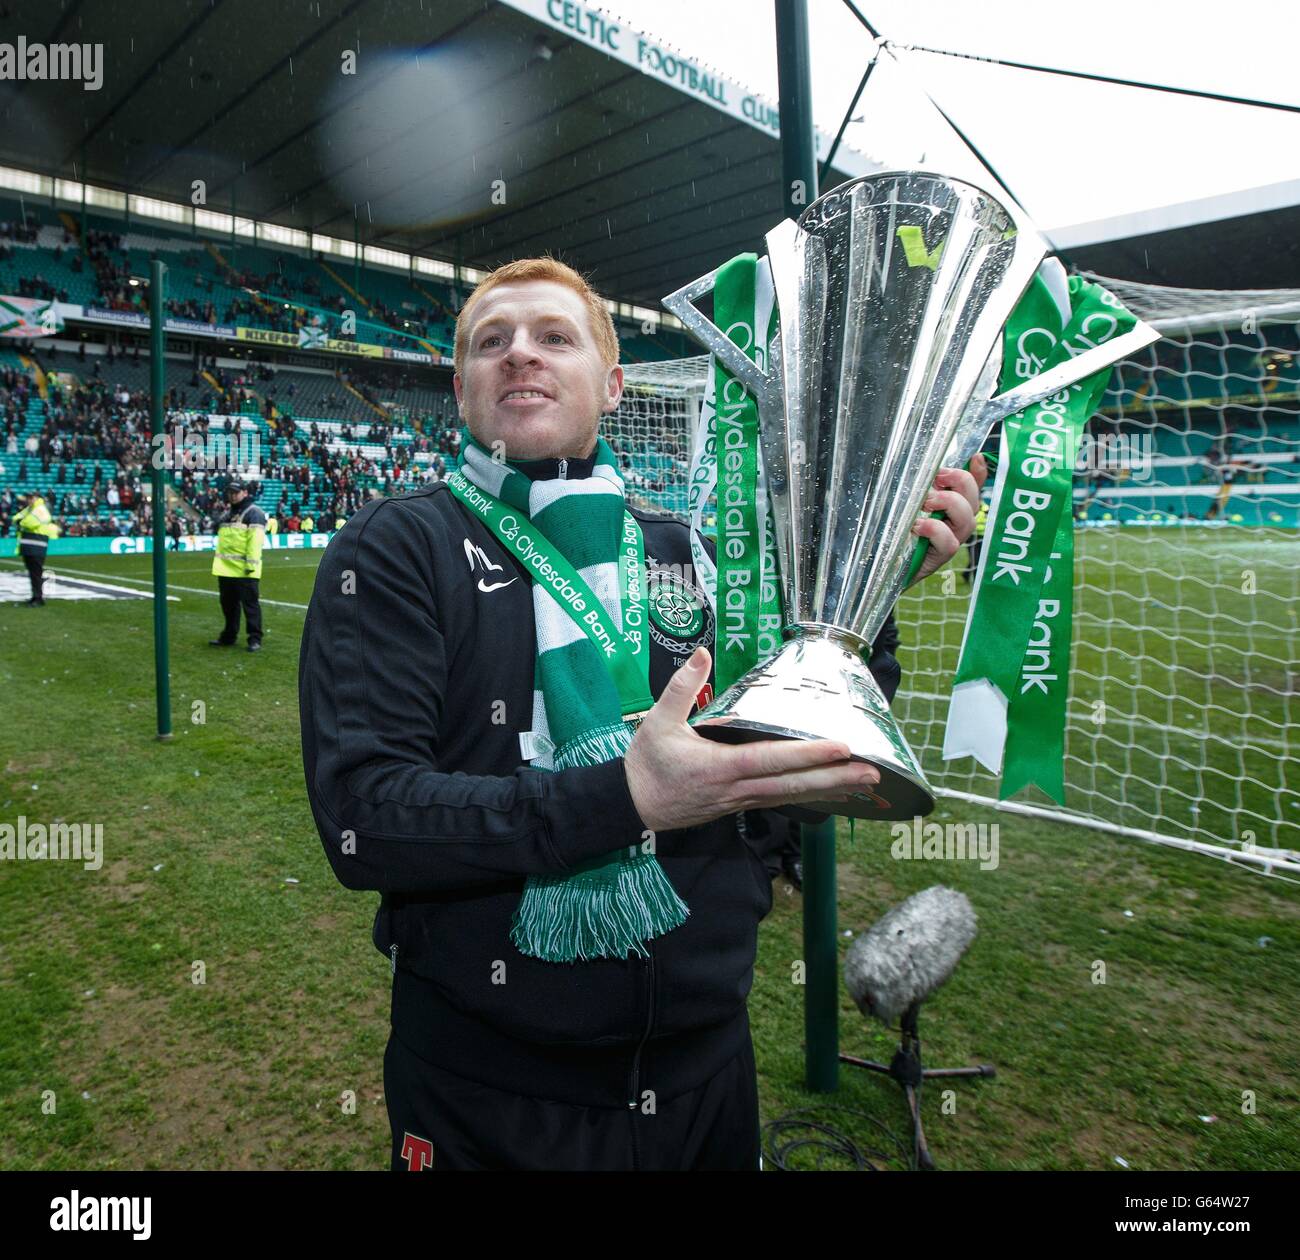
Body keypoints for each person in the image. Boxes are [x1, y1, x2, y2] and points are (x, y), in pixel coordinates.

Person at [299, 257, 982, 1172]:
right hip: (486, 1090)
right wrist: (627, 797)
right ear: (460, 388)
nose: (518, 356)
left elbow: (796, 771)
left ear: (614, 385)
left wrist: (866, 597)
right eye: (489, 343)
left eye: (553, 336)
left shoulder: (695, 557)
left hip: (706, 1074)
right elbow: (365, 821)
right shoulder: (396, 547)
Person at [209, 478, 266, 652]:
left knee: (250, 606)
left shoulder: (254, 512)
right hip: (225, 569)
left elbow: (255, 541)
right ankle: (229, 636)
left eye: (236, 492)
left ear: (245, 493)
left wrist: (250, 564)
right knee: (228, 607)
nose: (232, 496)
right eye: (230, 493)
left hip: (245, 570)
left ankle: (254, 638)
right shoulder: (228, 514)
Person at [12, 491, 60, 606]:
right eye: (28, 497)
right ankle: (35, 596)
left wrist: (21, 522)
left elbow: (30, 523)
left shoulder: (40, 509)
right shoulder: (30, 509)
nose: (29, 499)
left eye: (31, 497)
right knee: (33, 573)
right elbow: (15, 518)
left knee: (36, 573)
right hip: (29, 546)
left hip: (37, 546)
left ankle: (38, 598)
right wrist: (21, 521)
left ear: (37, 498)